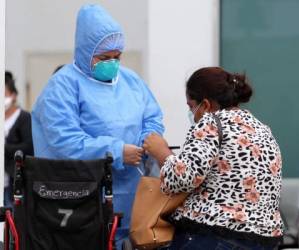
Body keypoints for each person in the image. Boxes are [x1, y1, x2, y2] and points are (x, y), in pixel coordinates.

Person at [31, 4, 164, 245]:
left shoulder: (130, 80)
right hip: (78, 198)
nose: (112, 63)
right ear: (84, 51)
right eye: (104, 58)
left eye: (117, 57)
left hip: (133, 193)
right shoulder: (62, 87)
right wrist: (117, 151)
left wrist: (147, 140)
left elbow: (152, 117)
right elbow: (65, 141)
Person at [143, 67, 283, 250]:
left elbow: (183, 178)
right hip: (263, 239)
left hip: (215, 235)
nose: (192, 113)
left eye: (191, 106)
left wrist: (161, 152)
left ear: (206, 105)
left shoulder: (211, 123)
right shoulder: (262, 129)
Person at [4, 71, 33, 207]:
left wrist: (4, 148)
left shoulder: (24, 118)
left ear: (13, 95)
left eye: (4, 95)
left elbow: (28, 147)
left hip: (14, 182)